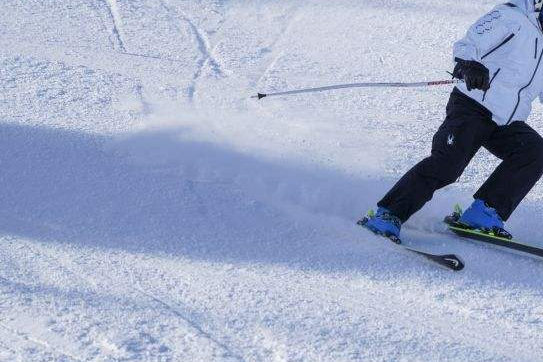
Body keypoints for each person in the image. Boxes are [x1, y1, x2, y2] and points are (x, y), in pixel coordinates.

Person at [362, 0, 543, 239]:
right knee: (448, 165)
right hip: (473, 106)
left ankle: (484, 214)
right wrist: (469, 64)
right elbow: (470, 42)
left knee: (535, 151)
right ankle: (388, 214)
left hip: (506, 120)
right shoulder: (511, 17)